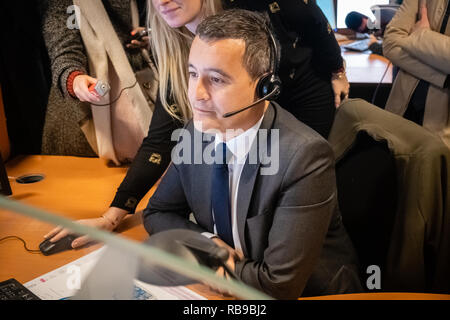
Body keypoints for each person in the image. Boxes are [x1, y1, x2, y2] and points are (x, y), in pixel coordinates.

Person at [45, 0, 350, 247]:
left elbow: (312, 17)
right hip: (246, 121)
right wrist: (112, 216)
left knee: (284, 192)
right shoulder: (176, 40)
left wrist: (337, 70)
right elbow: (161, 138)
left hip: (303, 95)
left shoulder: (252, 12)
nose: (161, 1)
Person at [143, 9, 362, 299]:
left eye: (217, 80)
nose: (196, 93)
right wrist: (206, 243)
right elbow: (157, 213)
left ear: (264, 87)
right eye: (193, 73)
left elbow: (279, 286)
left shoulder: (304, 157)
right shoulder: (196, 132)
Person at [383, 0, 450, 149]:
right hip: (401, 110)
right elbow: (391, 43)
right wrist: (445, 77)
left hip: (441, 129)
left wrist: (421, 35)